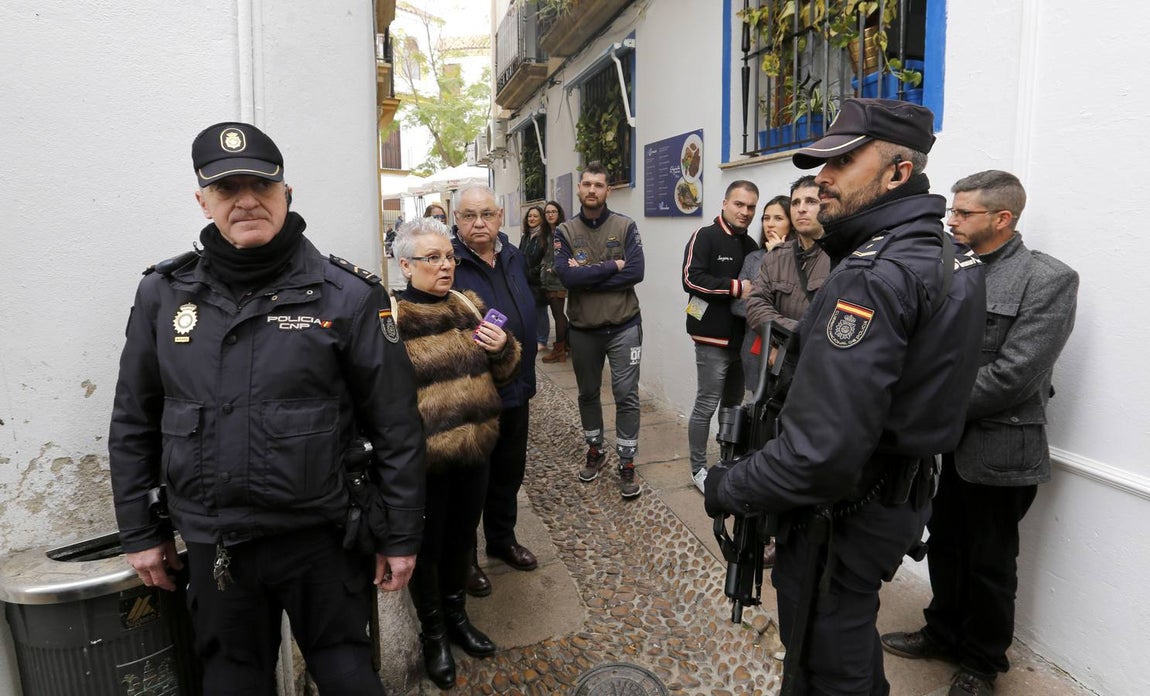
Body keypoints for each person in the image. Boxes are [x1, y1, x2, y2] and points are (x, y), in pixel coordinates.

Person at [108, 121, 426, 695]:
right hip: (215, 544)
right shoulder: (163, 294)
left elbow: (397, 425)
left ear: (287, 193)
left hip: (324, 541)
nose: (247, 201)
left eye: (262, 185)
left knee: (349, 675)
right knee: (231, 682)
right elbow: (134, 419)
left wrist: (400, 535)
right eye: (227, 189)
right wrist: (138, 528)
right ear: (203, 200)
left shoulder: (349, 296)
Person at [704, 98, 988, 695]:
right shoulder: (944, 253)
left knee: (826, 665)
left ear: (897, 174)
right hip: (894, 495)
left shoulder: (874, 272)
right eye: (820, 165)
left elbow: (819, 454)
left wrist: (729, 487)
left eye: (843, 162)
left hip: (847, 511)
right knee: (848, 640)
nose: (822, 180)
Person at [880, 171, 1079, 696]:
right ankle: (942, 631)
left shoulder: (1049, 279)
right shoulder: (948, 268)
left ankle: (981, 663)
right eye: (953, 210)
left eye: (963, 213)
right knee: (944, 546)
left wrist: (924, 407)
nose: (951, 219)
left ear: (1002, 219)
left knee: (990, 564)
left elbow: (1016, 374)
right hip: (942, 446)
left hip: (999, 451)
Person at [392, 218, 521, 689]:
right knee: (428, 548)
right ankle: (433, 636)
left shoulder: (470, 305)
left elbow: (505, 373)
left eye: (448, 256)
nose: (446, 265)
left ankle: (458, 618)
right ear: (406, 265)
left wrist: (504, 347)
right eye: (433, 258)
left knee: (462, 540)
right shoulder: (392, 320)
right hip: (425, 462)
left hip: (476, 451)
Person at [448, 185, 539, 597]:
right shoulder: (449, 263)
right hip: (475, 395)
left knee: (508, 472)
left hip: (516, 386)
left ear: (500, 216)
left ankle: (501, 540)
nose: (479, 223)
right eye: (469, 215)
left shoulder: (514, 255)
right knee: (470, 481)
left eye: (486, 214)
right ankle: (463, 559)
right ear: (456, 219)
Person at [555, 162, 646, 499]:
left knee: (626, 396)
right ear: (579, 189)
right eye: (587, 184)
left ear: (608, 191)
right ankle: (595, 448)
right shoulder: (564, 231)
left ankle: (626, 460)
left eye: (599, 185)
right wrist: (610, 266)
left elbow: (636, 271)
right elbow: (566, 277)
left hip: (624, 327)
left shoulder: (625, 226)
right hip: (583, 329)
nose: (592, 190)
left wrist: (588, 276)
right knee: (588, 393)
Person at [681, 180, 761, 495]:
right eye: (739, 204)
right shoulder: (705, 236)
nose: (745, 212)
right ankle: (698, 469)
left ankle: (727, 461)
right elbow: (691, 278)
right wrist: (736, 287)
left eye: (751, 207)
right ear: (725, 203)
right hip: (711, 338)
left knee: (733, 405)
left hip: (742, 341)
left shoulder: (752, 247)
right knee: (707, 404)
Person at [743, 176, 831, 391]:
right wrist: (781, 342)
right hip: (780, 367)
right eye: (795, 202)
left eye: (810, 201)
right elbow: (755, 306)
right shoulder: (775, 257)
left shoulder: (841, 257)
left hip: (821, 369)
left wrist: (785, 335)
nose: (801, 209)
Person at [732, 193, 792, 393]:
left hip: (788, 347)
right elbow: (739, 305)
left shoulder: (802, 258)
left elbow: (793, 305)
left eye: (778, 218)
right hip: (754, 345)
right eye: (766, 218)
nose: (770, 224)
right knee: (754, 405)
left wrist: (779, 256)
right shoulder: (753, 258)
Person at [540, 200, 570, 363]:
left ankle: (559, 351)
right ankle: (564, 344)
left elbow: (568, 253)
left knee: (558, 315)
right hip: (549, 280)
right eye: (547, 212)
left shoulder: (562, 231)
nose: (550, 214)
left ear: (559, 214)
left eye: (553, 212)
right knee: (558, 314)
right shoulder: (547, 232)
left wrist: (554, 269)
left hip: (558, 280)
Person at [520, 204, 552, 352]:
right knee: (529, 309)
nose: (531, 219)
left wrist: (533, 272)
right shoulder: (525, 236)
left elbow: (546, 259)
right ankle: (534, 336)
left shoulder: (545, 237)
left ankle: (542, 340)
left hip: (538, 280)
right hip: (525, 279)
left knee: (540, 311)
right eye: (529, 216)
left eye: (535, 216)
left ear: (541, 219)